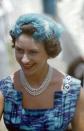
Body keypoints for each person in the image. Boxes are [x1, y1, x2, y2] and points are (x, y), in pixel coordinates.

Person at [0, 13, 84, 131]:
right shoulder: (5, 89)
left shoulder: (73, 90)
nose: (24, 59)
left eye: (33, 52)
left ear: (49, 52)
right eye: (19, 50)